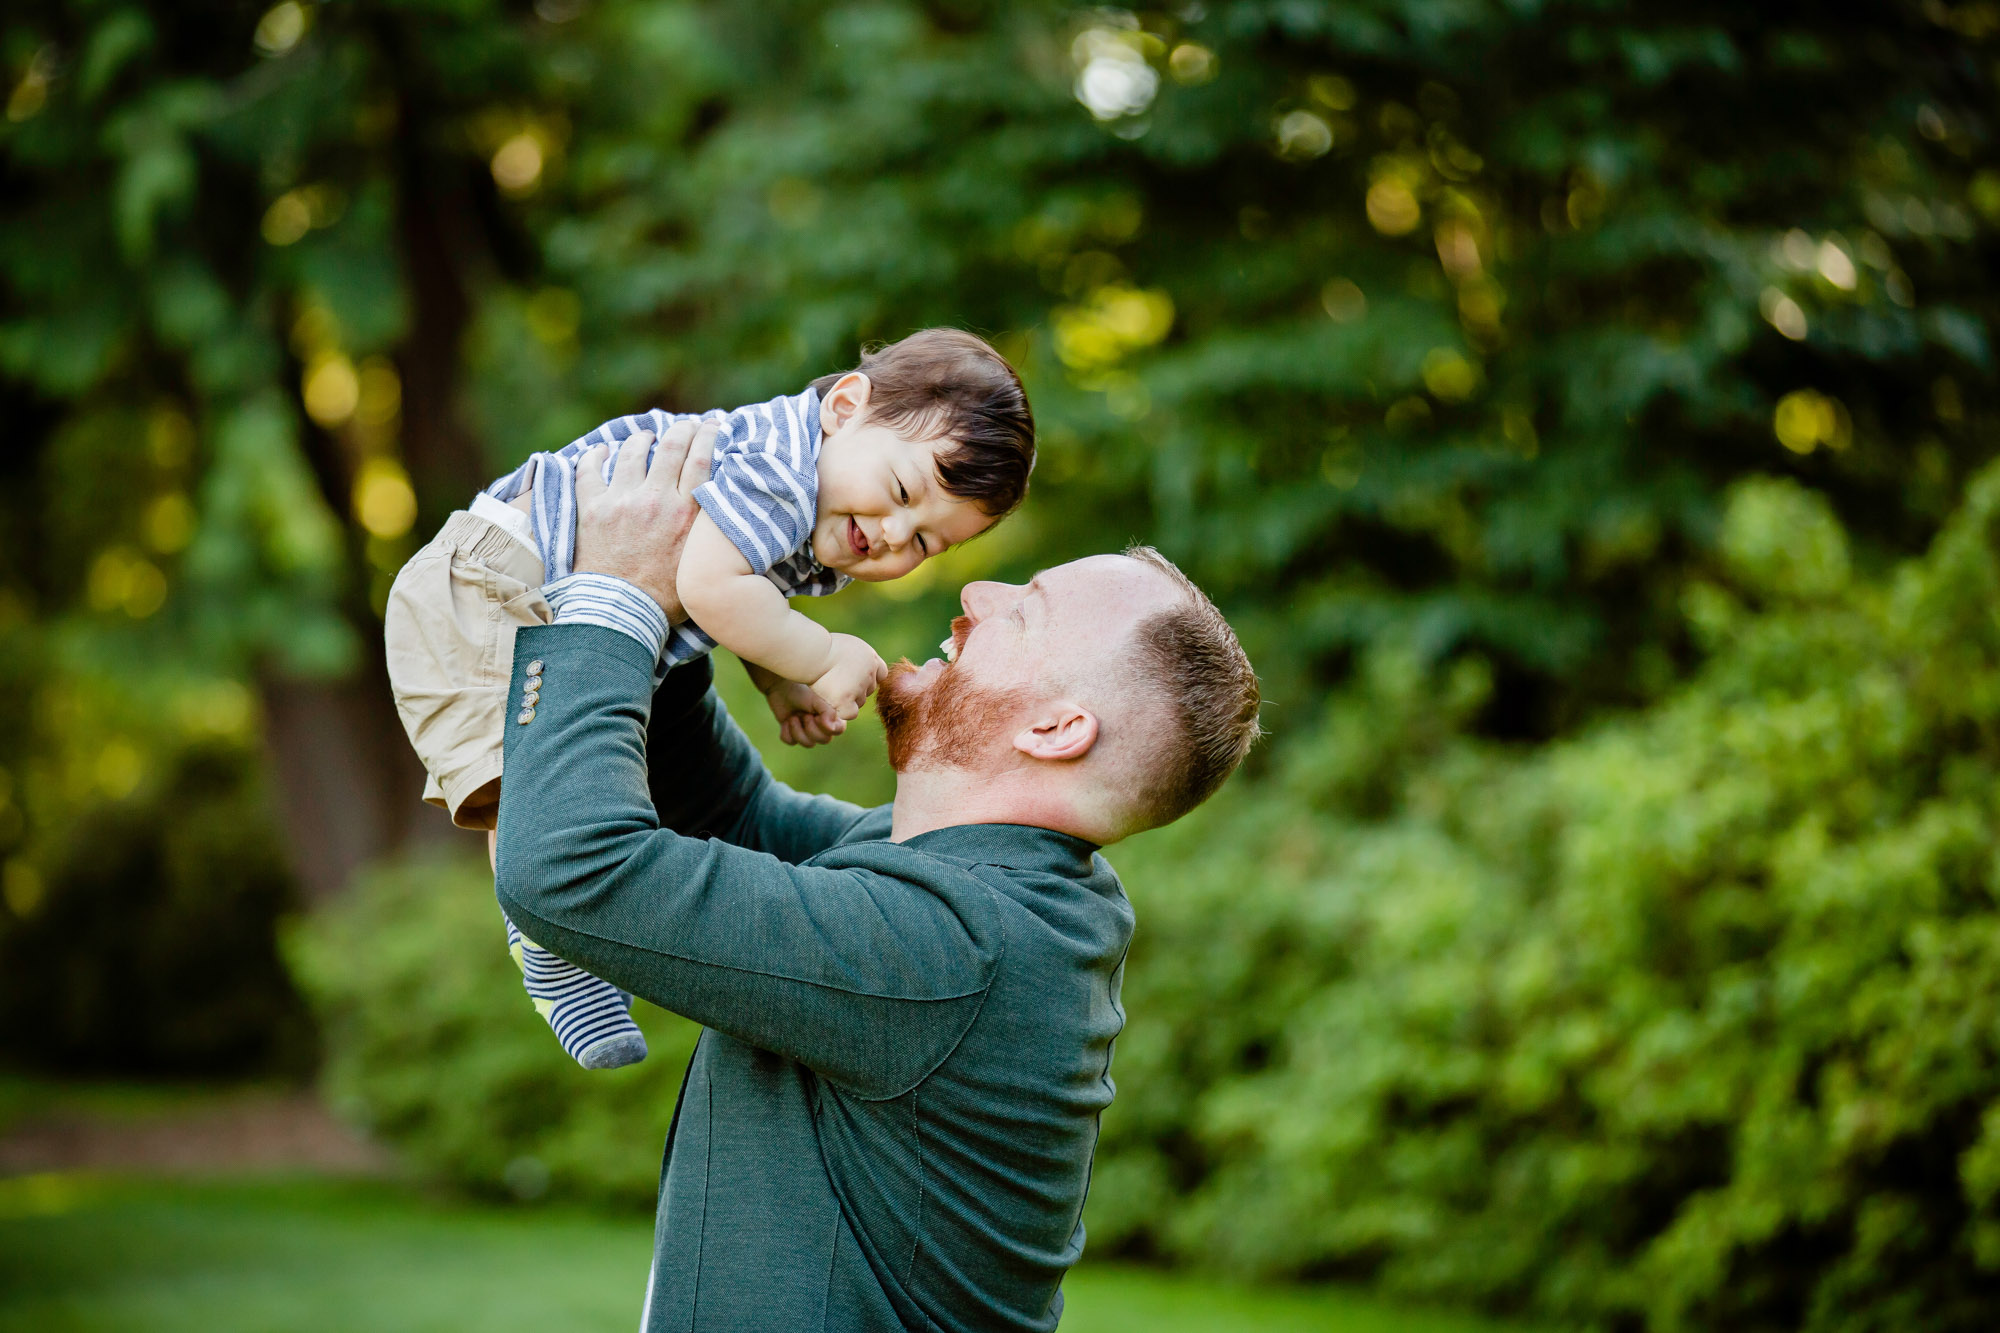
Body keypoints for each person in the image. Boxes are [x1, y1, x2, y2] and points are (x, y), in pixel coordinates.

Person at [494, 420, 1260, 1332]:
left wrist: (609, 598)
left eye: (1026, 609)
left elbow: (568, 869)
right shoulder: (981, 891)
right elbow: (724, 816)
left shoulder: (957, 943)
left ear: (1056, 729)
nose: (978, 587)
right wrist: (686, 587)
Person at [384, 330, 1035, 1070]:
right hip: (487, 586)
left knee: (562, 771)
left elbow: (740, 589)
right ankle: (548, 940)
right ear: (847, 408)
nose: (892, 535)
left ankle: (555, 926)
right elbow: (710, 588)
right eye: (901, 493)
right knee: (525, 782)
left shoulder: (816, 497)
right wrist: (820, 656)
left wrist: (778, 679)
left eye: (925, 543)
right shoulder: (781, 476)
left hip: (531, 592)